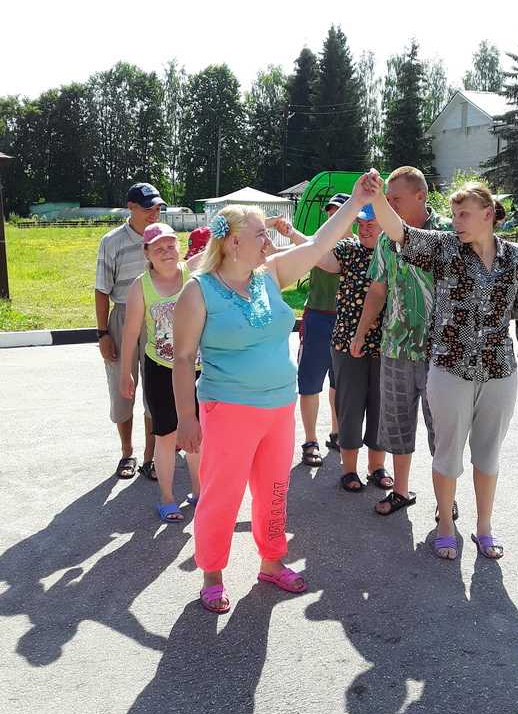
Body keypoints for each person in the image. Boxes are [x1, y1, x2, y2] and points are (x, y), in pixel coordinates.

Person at [172, 178, 372, 613]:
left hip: (279, 407)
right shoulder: (198, 290)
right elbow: (183, 358)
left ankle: (271, 561)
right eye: (261, 234)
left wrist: (357, 200)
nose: (269, 240)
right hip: (227, 408)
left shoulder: (271, 275)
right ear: (233, 243)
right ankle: (212, 573)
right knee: (222, 494)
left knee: (275, 490)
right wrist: (186, 417)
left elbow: (320, 244)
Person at [367, 174, 518, 560]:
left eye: (464, 214)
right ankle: (446, 525)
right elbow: (400, 233)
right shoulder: (446, 248)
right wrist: (378, 197)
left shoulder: (517, 257)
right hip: (450, 368)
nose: (456, 222)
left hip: (499, 371)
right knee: (448, 453)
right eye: (453, 215)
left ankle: (484, 528)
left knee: (488, 454)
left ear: (488, 214)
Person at [351, 166, 457, 518]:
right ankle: (400, 491)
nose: (389, 205)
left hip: (441, 351)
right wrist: (361, 332)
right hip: (395, 347)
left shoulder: (449, 234)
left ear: (420, 196)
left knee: (442, 430)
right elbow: (377, 290)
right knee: (397, 424)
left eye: (395, 199)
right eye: (387, 198)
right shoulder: (386, 239)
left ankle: (447, 499)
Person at [119, 223, 202, 523]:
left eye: (170, 246)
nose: (166, 252)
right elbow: (130, 333)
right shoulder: (140, 287)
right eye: (158, 248)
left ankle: (199, 492)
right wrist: (125, 373)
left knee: (197, 435)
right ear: (147, 253)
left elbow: (225, 244)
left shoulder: (193, 273)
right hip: (160, 369)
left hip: (197, 368)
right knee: (166, 435)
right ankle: (167, 499)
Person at [269, 193, 354, 467]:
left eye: (338, 212)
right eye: (330, 213)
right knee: (309, 383)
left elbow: (311, 249)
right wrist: (276, 245)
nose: (333, 217)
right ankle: (310, 440)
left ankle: (337, 434)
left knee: (339, 383)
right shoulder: (316, 243)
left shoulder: (357, 246)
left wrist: (291, 233)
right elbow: (301, 251)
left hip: (346, 321)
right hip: (317, 318)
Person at [316, 204, 394, 493]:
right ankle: (349, 469)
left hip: (385, 345)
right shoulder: (349, 250)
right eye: (360, 224)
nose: (364, 229)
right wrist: (293, 235)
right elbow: (319, 257)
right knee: (349, 407)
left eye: (370, 224)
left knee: (380, 408)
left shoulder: (394, 253)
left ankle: (377, 467)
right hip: (349, 343)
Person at [95, 182, 166, 481]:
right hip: (123, 316)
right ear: (131, 208)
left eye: (158, 207)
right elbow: (101, 290)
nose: (154, 213)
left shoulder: (162, 238)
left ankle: (151, 456)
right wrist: (103, 334)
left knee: (156, 389)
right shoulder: (111, 242)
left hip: (156, 317)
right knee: (122, 389)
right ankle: (127, 453)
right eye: (148, 208)